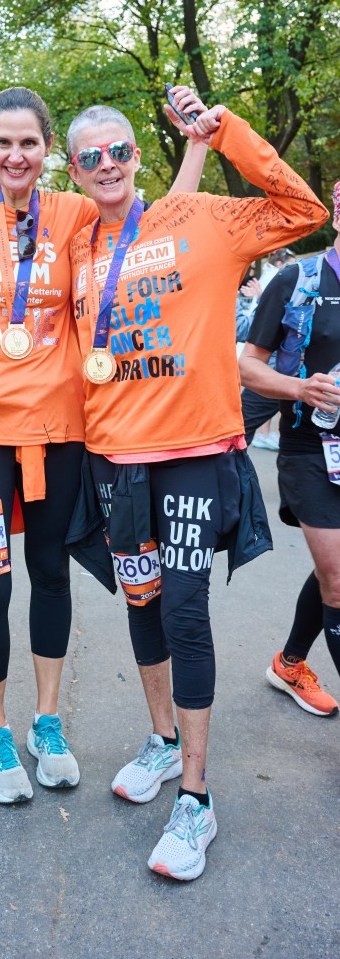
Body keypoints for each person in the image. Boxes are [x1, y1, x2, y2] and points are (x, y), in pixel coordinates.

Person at [67, 90, 328, 880]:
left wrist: (224, 133)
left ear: (136, 157)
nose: (106, 165)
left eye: (118, 151)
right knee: (139, 603)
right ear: (74, 171)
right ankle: (160, 738)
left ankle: (196, 798)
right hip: (114, 457)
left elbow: (302, 207)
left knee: (183, 613)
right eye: (90, 157)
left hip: (191, 452)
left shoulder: (202, 219)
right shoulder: (77, 244)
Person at [0, 85, 210, 805]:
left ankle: (45, 723)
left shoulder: (77, 211)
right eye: (2, 143)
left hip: (58, 434)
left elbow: (161, 227)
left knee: (49, 575)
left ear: (48, 151)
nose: (15, 155)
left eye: (28, 142)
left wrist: (197, 148)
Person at [240, 180, 340, 718]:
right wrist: (301, 387)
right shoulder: (297, 279)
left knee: (334, 573)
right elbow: (248, 363)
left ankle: (291, 662)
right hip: (309, 449)